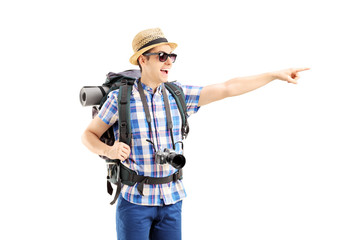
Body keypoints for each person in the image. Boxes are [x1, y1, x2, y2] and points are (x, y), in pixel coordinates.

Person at [81, 28, 309, 240]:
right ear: (143, 59)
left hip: (172, 199)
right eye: (162, 56)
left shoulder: (178, 95)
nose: (169, 61)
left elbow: (228, 87)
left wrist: (273, 75)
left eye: (172, 56)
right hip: (134, 201)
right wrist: (109, 150)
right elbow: (89, 135)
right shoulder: (120, 99)